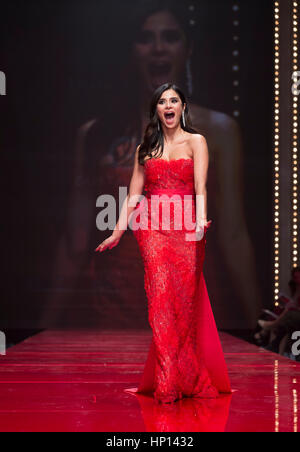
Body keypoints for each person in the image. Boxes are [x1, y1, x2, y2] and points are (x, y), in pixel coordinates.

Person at [95, 83, 231, 403]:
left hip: (186, 228)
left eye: (174, 100)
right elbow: (133, 195)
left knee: (182, 305)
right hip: (152, 226)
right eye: (162, 102)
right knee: (160, 300)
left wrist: (200, 220)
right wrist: (116, 232)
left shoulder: (197, 141)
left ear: (183, 106)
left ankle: (184, 373)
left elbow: (200, 187)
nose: (168, 106)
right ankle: (167, 377)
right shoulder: (146, 149)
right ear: (156, 110)